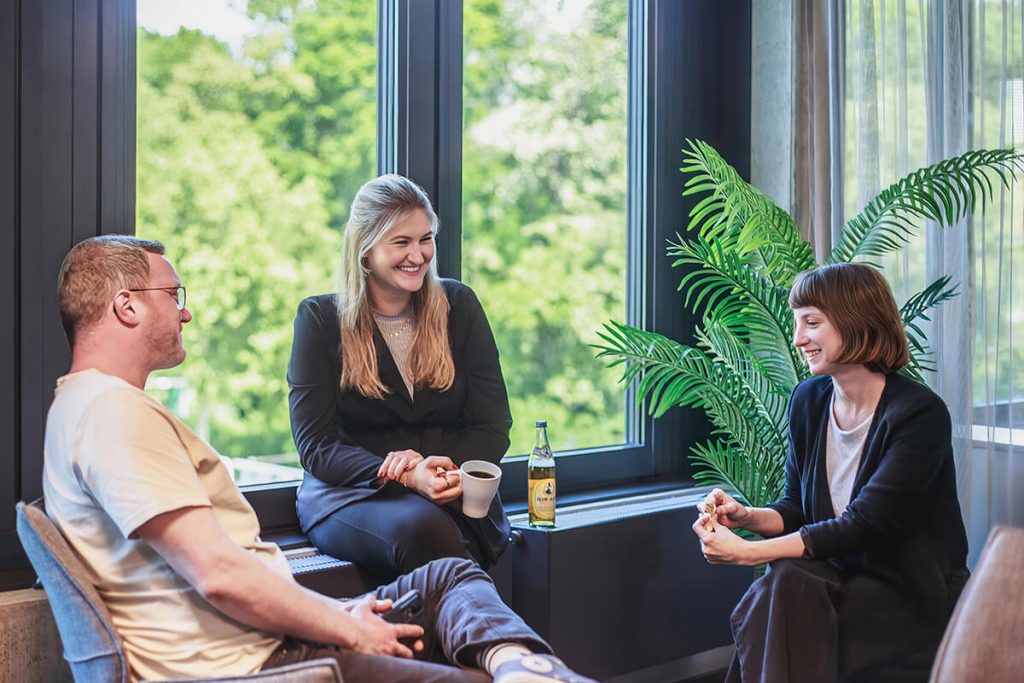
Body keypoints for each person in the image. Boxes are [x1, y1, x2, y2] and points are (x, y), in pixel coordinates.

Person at [43, 234, 593, 683]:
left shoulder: (86, 405)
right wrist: (346, 627)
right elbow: (218, 575)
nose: (185, 313)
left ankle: (526, 667)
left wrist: (338, 612)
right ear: (127, 304)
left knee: (449, 576)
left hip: (267, 635)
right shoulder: (113, 414)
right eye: (174, 294)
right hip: (257, 662)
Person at [691, 263, 969, 683]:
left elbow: (865, 525)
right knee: (787, 584)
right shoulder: (809, 400)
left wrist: (746, 552)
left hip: (906, 589)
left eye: (812, 322)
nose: (799, 337)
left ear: (856, 322)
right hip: (833, 577)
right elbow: (797, 508)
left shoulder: (919, 414)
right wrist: (747, 518)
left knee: (783, 590)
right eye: (797, 322)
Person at [288, 174, 513, 581]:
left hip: (450, 488)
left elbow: (492, 426)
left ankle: (480, 644)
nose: (418, 255)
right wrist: (408, 474)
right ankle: (491, 644)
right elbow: (317, 447)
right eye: (401, 242)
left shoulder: (459, 306)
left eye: (425, 239)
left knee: (448, 525)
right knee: (425, 528)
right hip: (351, 495)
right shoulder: (319, 320)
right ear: (365, 249)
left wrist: (440, 472)